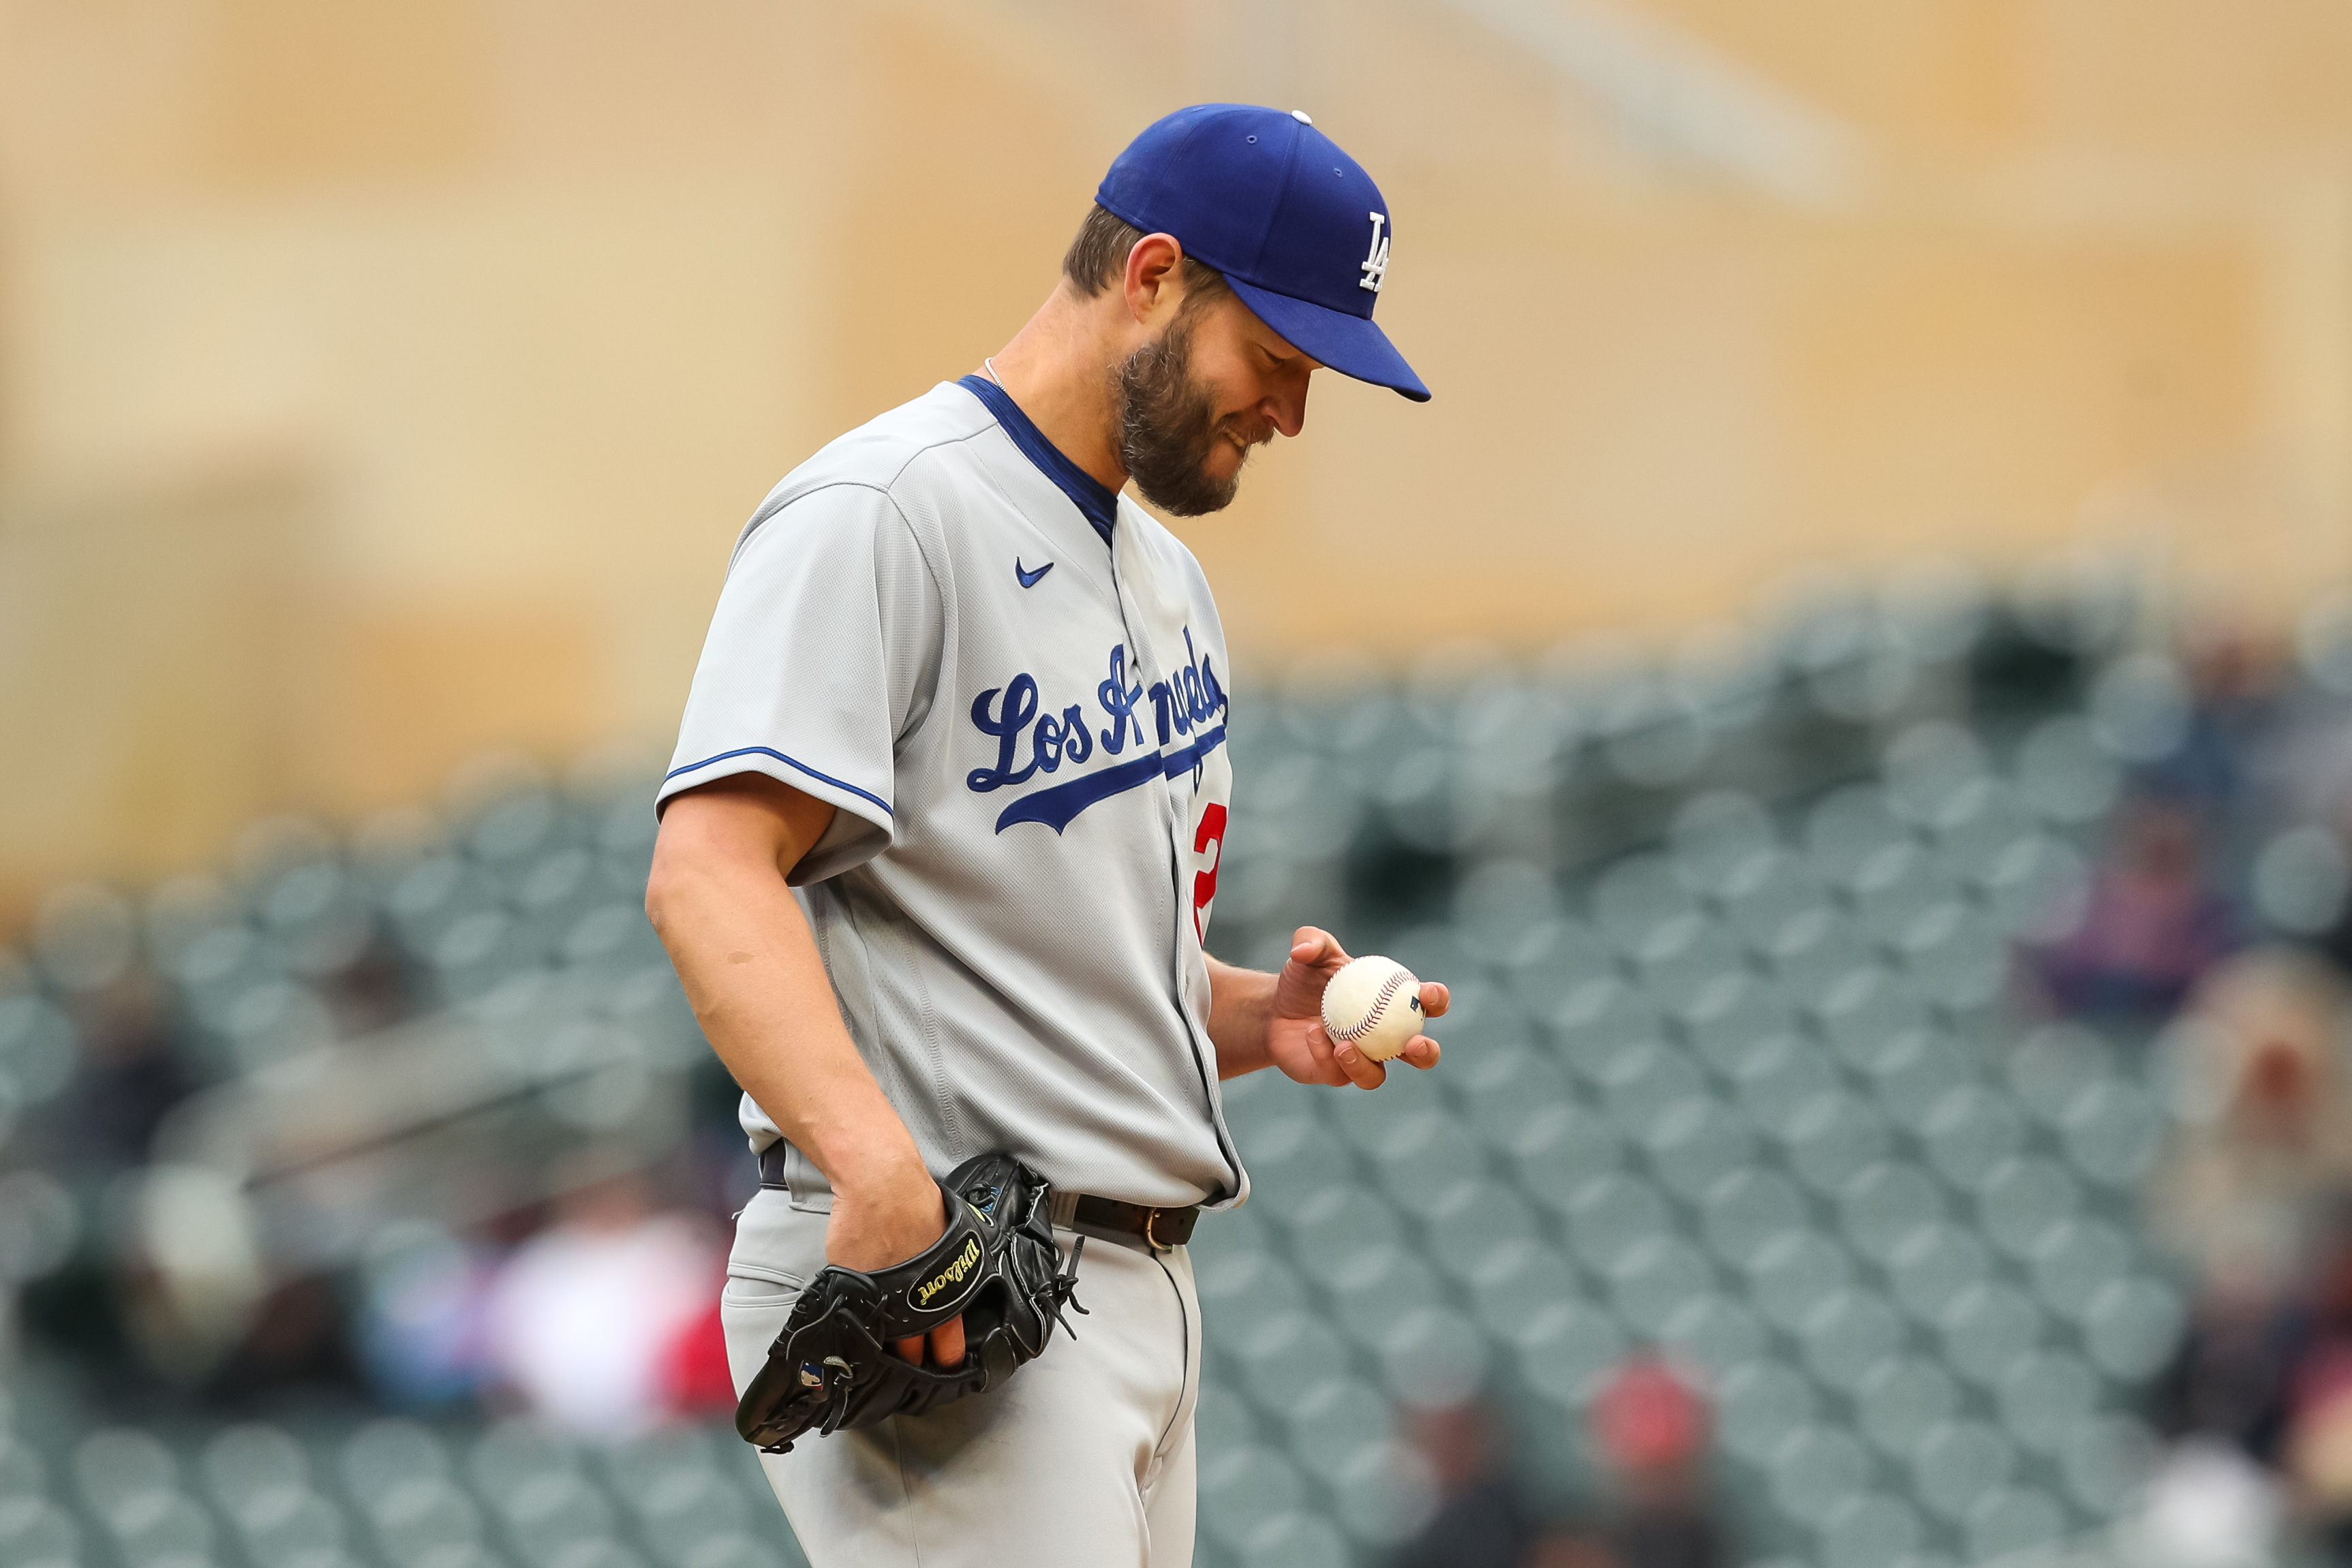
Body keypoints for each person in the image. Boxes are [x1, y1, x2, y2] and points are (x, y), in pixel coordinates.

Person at [645, 104, 1445, 1565]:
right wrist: (878, 1171)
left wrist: (1268, 1013)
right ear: (1151, 276)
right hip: (965, 1269)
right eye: (1274, 357)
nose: (1291, 410)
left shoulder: (1168, 580)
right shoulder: (887, 511)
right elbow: (707, 870)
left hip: (1137, 1284)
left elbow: (1074, 954)